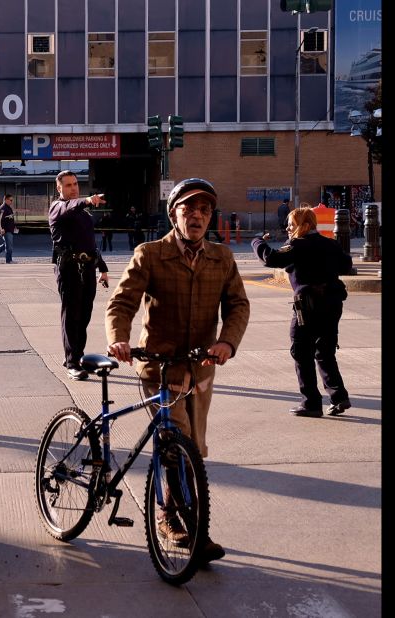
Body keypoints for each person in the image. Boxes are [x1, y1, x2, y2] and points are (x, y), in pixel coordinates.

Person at [105, 177, 250, 565]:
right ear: (174, 214)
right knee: (178, 442)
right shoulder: (150, 254)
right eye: (189, 209)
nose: (198, 216)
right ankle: (188, 528)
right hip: (159, 368)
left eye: (204, 210)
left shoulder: (222, 258)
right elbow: (121, 303)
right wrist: (119, 339)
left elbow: (238, 305)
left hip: (201, 368)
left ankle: (169, 511)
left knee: (194, 448)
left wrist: (227, 342)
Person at [252, 206, 353, 417]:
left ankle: (311, 403)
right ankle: (339, 397)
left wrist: (257, 241)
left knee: (301, 352)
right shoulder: (330, 243)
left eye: (290, 225)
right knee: (325, 351)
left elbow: (270, 258)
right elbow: (346, 265)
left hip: (307, 306)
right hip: (332, 303)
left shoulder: (297, 245)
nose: (288, 230)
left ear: (301, 225)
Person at [49, 171, 110, 380]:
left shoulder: (83, 213)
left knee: (84, 315)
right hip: (68, 268)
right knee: (71, 316)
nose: (73, 188)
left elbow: (90, 242)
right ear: (59, 188)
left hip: (87, 268)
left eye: (75, 184)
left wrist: (102, 268)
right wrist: (86, 201)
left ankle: (77, 356)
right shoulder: (58, 207)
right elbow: (68, 207)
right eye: (68, 185)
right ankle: (72, 363)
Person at [0, 193, 17, 263]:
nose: (12, 201)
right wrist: (1, 228)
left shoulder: (8, 208)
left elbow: (9, 219)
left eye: (12, 200)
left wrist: (14, 227)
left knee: (7, 244)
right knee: (9, 246)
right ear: (6, 200)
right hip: (5, 230)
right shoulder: (2, 208)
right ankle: (9, 260)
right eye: (10, 200)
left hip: (9, 229)